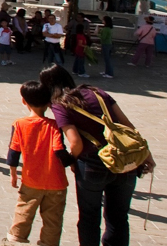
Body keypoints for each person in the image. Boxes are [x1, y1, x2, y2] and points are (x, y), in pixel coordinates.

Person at [42, 65, 149, 246]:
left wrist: (72, 161)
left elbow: (75, 142)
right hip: (124, 161)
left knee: (89, 216)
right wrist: (146, 154)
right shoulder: (98, 92)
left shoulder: (60, 105)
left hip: (92, 165)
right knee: (119, 217)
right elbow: (127, 125)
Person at [8, 80, 69, 246]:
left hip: (31, 180)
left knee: (23, 212)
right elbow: (59, 149)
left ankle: (16, 240)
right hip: (56, 182)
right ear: (48, 103)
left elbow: (14, 152)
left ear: (24, 101)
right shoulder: (55, 125)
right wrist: (72, 162)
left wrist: (13, 174)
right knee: (53, 220)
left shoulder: (19, 124)